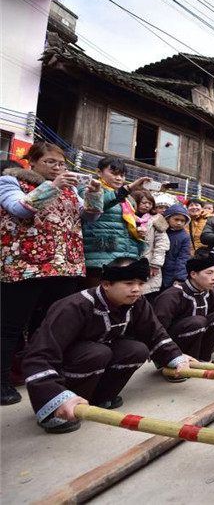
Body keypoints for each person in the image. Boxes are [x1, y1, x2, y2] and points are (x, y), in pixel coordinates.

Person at [21, 257, 191, 433]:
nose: (136, 289)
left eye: (141, 283)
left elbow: (154, 332)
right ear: (106, 284)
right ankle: (58, 410)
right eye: (128, 283)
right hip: (70, 362)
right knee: (97, 352)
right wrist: (54, 395)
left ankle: (99, 398)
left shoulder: (137, 302)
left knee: (136, 350)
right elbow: (38, 355)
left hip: (96, 356)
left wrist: (176, 357)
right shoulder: (73, 306)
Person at [0, 142, 104, 405]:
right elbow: (20, 209)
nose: (57, 168)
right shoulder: (10, 181)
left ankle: (38, 375)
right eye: (50, 162)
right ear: (31, 162)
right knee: (10, 326)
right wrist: (55, 184)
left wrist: (94, 193)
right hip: (26, 266)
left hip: (65, 266)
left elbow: (90, 216)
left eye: (61, 163)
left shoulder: (69, 190)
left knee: (48, 325)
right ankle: (1, 381)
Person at [152, 248, 214, 364]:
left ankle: (203, 359)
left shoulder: (211, 293)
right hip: (170, 348)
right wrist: (169, 356)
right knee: (197, 322)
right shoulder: (171, 296)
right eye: (209, 273)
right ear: (193, 274)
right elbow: (157, 331)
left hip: (194, 336)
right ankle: (178, 363)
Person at [81, 157, 153, 287]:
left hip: (124, 254)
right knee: (97, 296)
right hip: (100, 253)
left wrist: (137, 234)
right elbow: (96, 207)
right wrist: (127, 189)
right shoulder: (90, 187)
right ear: (98, 172)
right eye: (114, 174)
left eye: (122, 175)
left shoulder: (127, 198)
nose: (119, 178)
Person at [132, 190, 169, 298]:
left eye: (150, 203)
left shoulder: (156, 219)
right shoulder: (127, 216)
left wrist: (156, 264)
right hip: (130, 260)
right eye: (144, 203)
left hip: (149, 263)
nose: (147, 206)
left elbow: (162, 243)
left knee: (146, 295)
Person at [161, 203, 192, 290]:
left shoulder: (185, 237)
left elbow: (183, 258)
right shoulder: (160, 231)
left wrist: (179, 278)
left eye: (182, 221)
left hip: (171, 274)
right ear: (168, 218)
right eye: (176, 219)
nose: (179, 223)